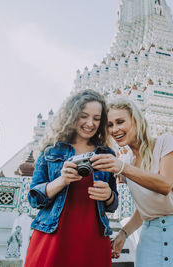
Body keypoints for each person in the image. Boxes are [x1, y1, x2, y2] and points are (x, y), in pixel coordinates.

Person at [91, 98, 173, 267]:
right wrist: (124, 234)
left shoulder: (164, 142)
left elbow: (165, 185)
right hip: (149, 237)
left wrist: (122, 167)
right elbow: (146, 208)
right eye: (110, 125)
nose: (115, 129)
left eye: (120, 122)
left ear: (135, 121)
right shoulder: (126, 161)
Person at [25, 89, 118, 267]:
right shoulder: (51, 150)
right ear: (72, 115)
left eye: (97, 118)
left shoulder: (107, 153)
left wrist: (108, 195)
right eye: (83, 116)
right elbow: (34, 199)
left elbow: (113, 204)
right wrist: (62, 180)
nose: (90, 123)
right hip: (53, 233)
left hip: (93, 236)